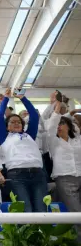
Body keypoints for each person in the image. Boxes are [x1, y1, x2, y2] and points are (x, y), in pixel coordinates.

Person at [0, 88, 47, 212]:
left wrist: (23, 98)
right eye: (12, 122)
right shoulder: (4, 137)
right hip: (17, 176)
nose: (16, 123)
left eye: (19, 122)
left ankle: (40, 232)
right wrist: (6, 98)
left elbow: (34, 115)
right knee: (25, 209)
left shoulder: (30, 135)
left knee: (41, 209)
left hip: (38, 174)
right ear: (6, 126)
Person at [47, 99, 81, 242]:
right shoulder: (52, 141)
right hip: (65, 179)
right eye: (58, 124)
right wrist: (57, 106)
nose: (59, 126)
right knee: (76, 212)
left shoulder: (77, 140)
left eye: (62, 123)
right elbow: (51, 127)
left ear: (69, 126)